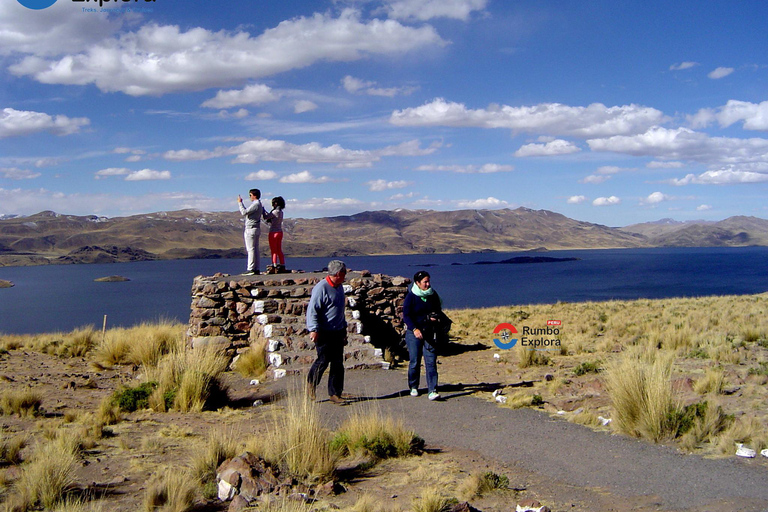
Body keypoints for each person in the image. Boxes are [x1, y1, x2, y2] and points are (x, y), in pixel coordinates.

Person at [306, 260, 348, 404]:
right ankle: (311, 384)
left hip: (338, 330)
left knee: (337, 363)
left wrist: (344, 328)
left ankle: (335, 393)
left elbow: (340, 310)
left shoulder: (339, 286)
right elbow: (312, 310)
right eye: (344, 273)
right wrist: (313, 329)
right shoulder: (321, 288)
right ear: (337, 274)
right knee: (323, 360)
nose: (345, 276)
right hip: (323, 331)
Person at [402, 270, 445, 401]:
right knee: (415, 361)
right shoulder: (411, 296)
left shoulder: (433, 294)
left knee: (431, 361)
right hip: (414, 333)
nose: (428, 284)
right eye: (425, 282)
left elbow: (438, 310)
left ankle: (432, 390)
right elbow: (406, 315)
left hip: (429, 333)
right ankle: (413, 386)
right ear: (417, 283)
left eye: (428, 281)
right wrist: (415, 329)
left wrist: (435, 318)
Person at [237, 189, 267, 275]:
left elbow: (244, 212)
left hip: (251, 229)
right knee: (255, 249)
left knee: (250, 249)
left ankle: (251, 269)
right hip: (256, 228)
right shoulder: (260, 204)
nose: (249, 197)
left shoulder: (256, 204)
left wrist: (240, 203)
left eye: (250, 195)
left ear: (254, 195)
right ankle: (256, 268)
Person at [265, 196, 286, 274]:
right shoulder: (281, 212)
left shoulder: (274, 212)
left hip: (273, 232)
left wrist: (263, 210)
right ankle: (282, 264)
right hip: (280, 232)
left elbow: (266, 217)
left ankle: (274, 265)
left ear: (276, 203)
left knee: (273, 250)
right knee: (279, 250)